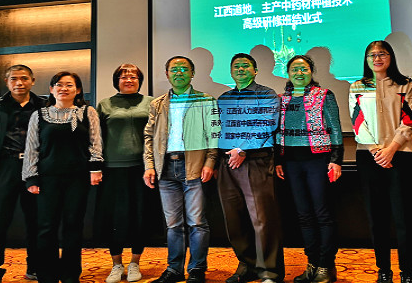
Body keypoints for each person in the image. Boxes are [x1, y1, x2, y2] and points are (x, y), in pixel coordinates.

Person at [143, 56, 219, 283]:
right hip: (165, 168)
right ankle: (174, 269)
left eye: (184, 69)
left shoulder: (206, 100)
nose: (179, 73)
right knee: (173, 224)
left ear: (192, 73)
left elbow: (214, 134)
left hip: (194, 166)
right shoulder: (157, 104)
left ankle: (197, 269)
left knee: (197, 222)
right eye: (173, 69)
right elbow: (149, 137)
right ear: (167, 74)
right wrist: (149, 165)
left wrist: (210, 162)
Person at [349, 41, 412, 283]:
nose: (377, 58)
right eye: (372, 55)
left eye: (382, 54)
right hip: (368, 157)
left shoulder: (404, 83)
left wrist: (390, 149)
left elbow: (410, 120)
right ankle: (384, 270)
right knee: (376, 216)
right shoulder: (357, 86)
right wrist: (376, 151)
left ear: (391, 57)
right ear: (366, 59)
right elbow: (357, 122)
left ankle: (407, 271)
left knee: (404, 216)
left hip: (400, 154)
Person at [22, 71, 103, 283]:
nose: (63, 88)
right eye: (59, 84)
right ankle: (46, 275)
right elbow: (32, 148)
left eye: (69, 85)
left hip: (78, 178)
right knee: (46, 228)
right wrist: (31, 177)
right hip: (47, 179)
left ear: (78, 90)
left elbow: (95, 143)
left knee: (73, 227)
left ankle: (70, 275)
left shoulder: (88, 112)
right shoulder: (39, 115)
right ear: (51, 89)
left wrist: (96, 168)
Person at [275, 55, 344, 283]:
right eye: (294, 69)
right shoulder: (282, 99)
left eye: (303, 69)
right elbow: (277, 131)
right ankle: (312, 263)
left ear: (311, 72)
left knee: (322, 213)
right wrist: (278, 160)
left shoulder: (324, 95)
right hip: (291, 162)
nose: (299, 73)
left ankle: (326, 265)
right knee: (304, 215)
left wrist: (336, 159)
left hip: (318, 160)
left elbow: (335, 128)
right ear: (288, 73)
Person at [217, 53, 284, 283]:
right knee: (234, 220)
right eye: (236, 66)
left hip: (256, 161)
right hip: (227, 163)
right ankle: (248, 265)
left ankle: (270, 271)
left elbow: (267, 124)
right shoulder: (224, 98)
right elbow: (218, 128)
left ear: (255, 71)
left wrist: (242, 149)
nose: (240, 69)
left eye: (246, 66)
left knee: (262, 220)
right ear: (230, 71)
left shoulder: (266, 94)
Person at [0, 65, 44, 283]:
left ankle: (35, 267)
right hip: (4, 168)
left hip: (35, 169)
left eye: (24, 78)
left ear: (32, 81)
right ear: (7, 82)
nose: (19, 83)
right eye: (14, 79)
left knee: (36, 221)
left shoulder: (43, 106)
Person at [96, 64, 154, 283]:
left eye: (133, 76)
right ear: (116, 80)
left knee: (141, 216)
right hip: (112, 170)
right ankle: (116, 264)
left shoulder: (151, 103)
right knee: (115, 218)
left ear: (139, 80)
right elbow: (96, 138)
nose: (129, 80)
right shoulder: (105, 104)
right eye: (123, 76)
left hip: (143, 169)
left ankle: (135, 263)